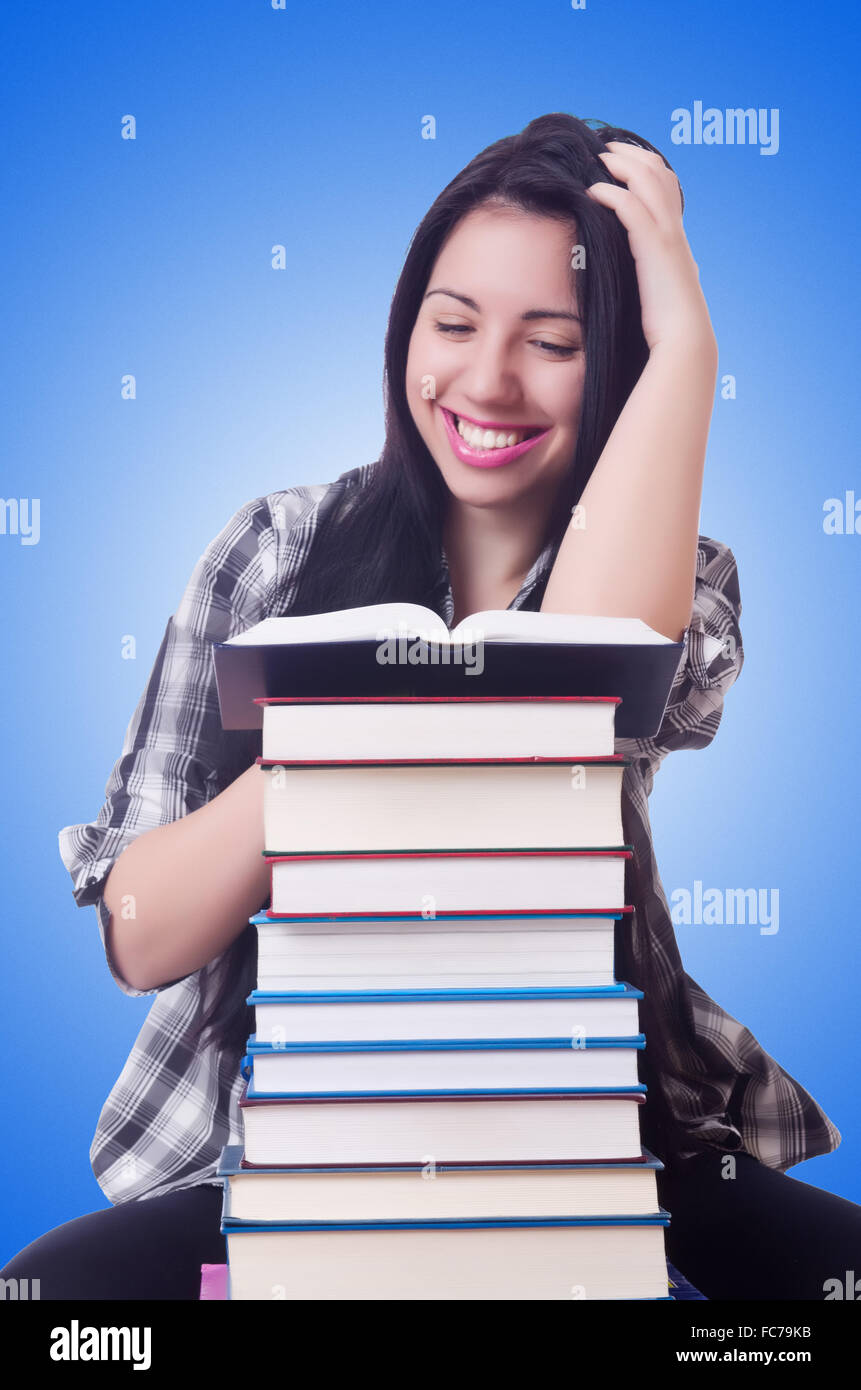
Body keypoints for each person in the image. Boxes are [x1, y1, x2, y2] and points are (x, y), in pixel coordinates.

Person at [3, 112, 859, 1301]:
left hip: (603, 1141)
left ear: (618, 362)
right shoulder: (274, 546)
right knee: (50, 1303)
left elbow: (582, 672)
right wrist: (331, 747)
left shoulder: (675, 568)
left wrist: (689, 350)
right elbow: (140, 933)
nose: (486, 380)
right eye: (452, 324)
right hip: (287, 1150)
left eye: (553, 340)